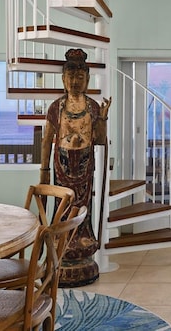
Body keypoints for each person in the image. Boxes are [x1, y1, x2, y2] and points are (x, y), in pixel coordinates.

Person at [40, 48, 110, 287]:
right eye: (71, 77)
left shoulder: (92, 107)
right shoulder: (56, 108)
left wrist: (102, 119)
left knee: (83, 208)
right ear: (63, 79)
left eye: (80, 77)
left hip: (84, 165)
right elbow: (47, 139)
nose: (75, 81)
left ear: (87, 80)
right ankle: (61, 248)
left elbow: (100, 140)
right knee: (62, 207)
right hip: (61, 165)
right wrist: (44, 170)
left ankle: (82, 243)